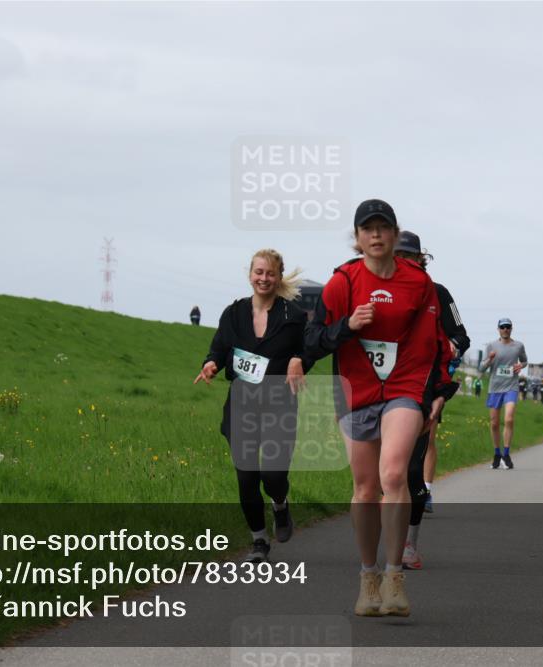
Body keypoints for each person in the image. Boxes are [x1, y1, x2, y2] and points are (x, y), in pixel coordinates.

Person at [305, 199, 455, 617]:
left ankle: (394, 576)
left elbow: (436, 344)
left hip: (404, 388)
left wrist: (438, 392)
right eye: (367, 228)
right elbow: (313, 340)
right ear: (356, 239)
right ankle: (367, 576)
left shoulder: (419, 284)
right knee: (366, 488)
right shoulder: (342, 283)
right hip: (356, 391)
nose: (375, 235)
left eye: (382, 228)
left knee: (394, 473)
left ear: (394, 234)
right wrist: (347, 326)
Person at [194, 250, 311, 563]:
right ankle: (259, 540)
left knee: (273, 475)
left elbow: (308, 347)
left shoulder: (293, 316)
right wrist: (211, 364)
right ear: (250, 274)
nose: (264, 278)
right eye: (259, 272)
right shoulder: (233, 313)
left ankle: (281, 505)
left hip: (279, 404)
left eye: (270, 273)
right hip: (243, 403)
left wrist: (300, 360)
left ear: (278, 277)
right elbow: (218, 347)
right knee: (246, 475)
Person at [393, 231, 470, 569]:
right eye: (398, 257)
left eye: (409, 258)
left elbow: (460, 336)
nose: (403, 263)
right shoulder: (377, 292)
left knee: (411, 468)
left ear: (419, 259)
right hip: (381, 391)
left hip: (424, 387)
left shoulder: (437, 293)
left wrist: (441, 350)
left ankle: (410, 542)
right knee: (384, 471)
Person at [479, 318, 527, 469]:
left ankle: (506, 453)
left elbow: (525, 361)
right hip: (495, 388)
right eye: (502, 327)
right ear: (498, 329)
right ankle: (497, 453)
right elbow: (481, 368)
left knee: (509, 418)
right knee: (494, 423)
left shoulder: (518, 345)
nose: (505, 329)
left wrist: (520, 365)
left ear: (512, 328)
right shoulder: (492, 346)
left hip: (511, 387)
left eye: (508, 327)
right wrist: (489, 360)